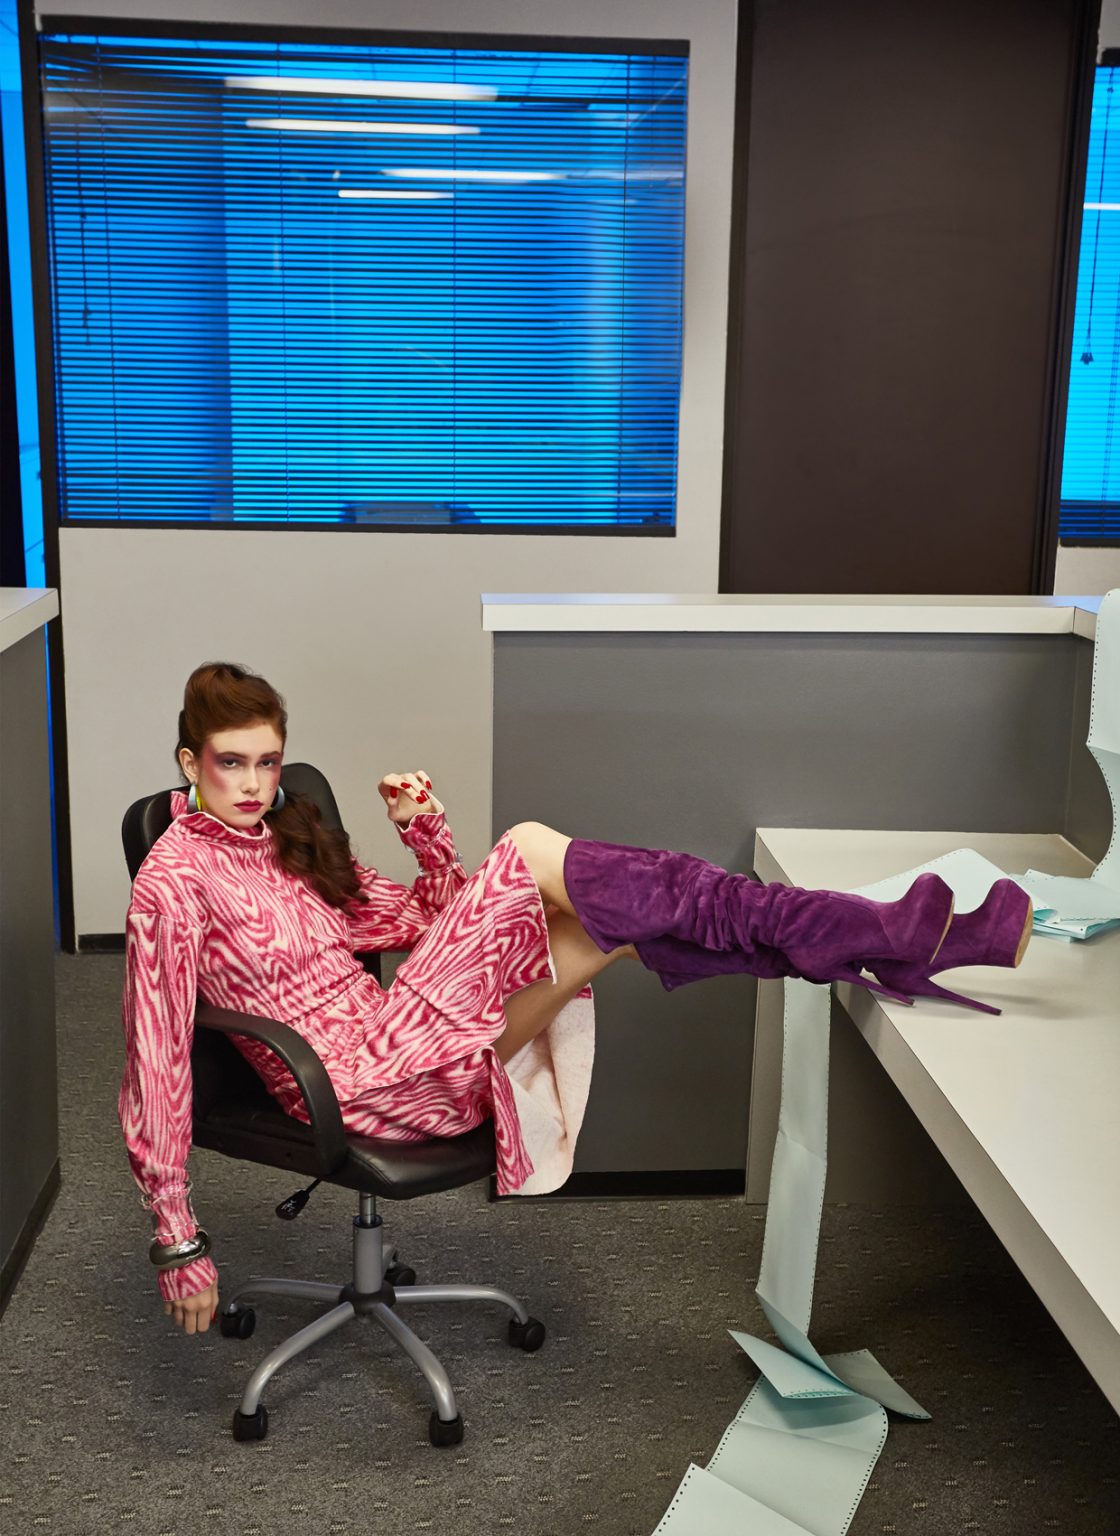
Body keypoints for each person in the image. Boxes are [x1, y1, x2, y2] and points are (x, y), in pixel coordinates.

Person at [120, 663, 1033, 1337]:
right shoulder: (173, 882)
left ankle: (879, 942)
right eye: (231, 763)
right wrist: (177, 1239)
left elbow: (423, 922)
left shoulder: (288, 838)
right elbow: (155, 1059)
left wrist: (425, 835)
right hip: (354, 1083)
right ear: (189, 761)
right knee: (531, 848)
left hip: (410, 1042)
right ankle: (886, 935)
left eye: (268, 762)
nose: (253, 785)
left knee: (613, 922)